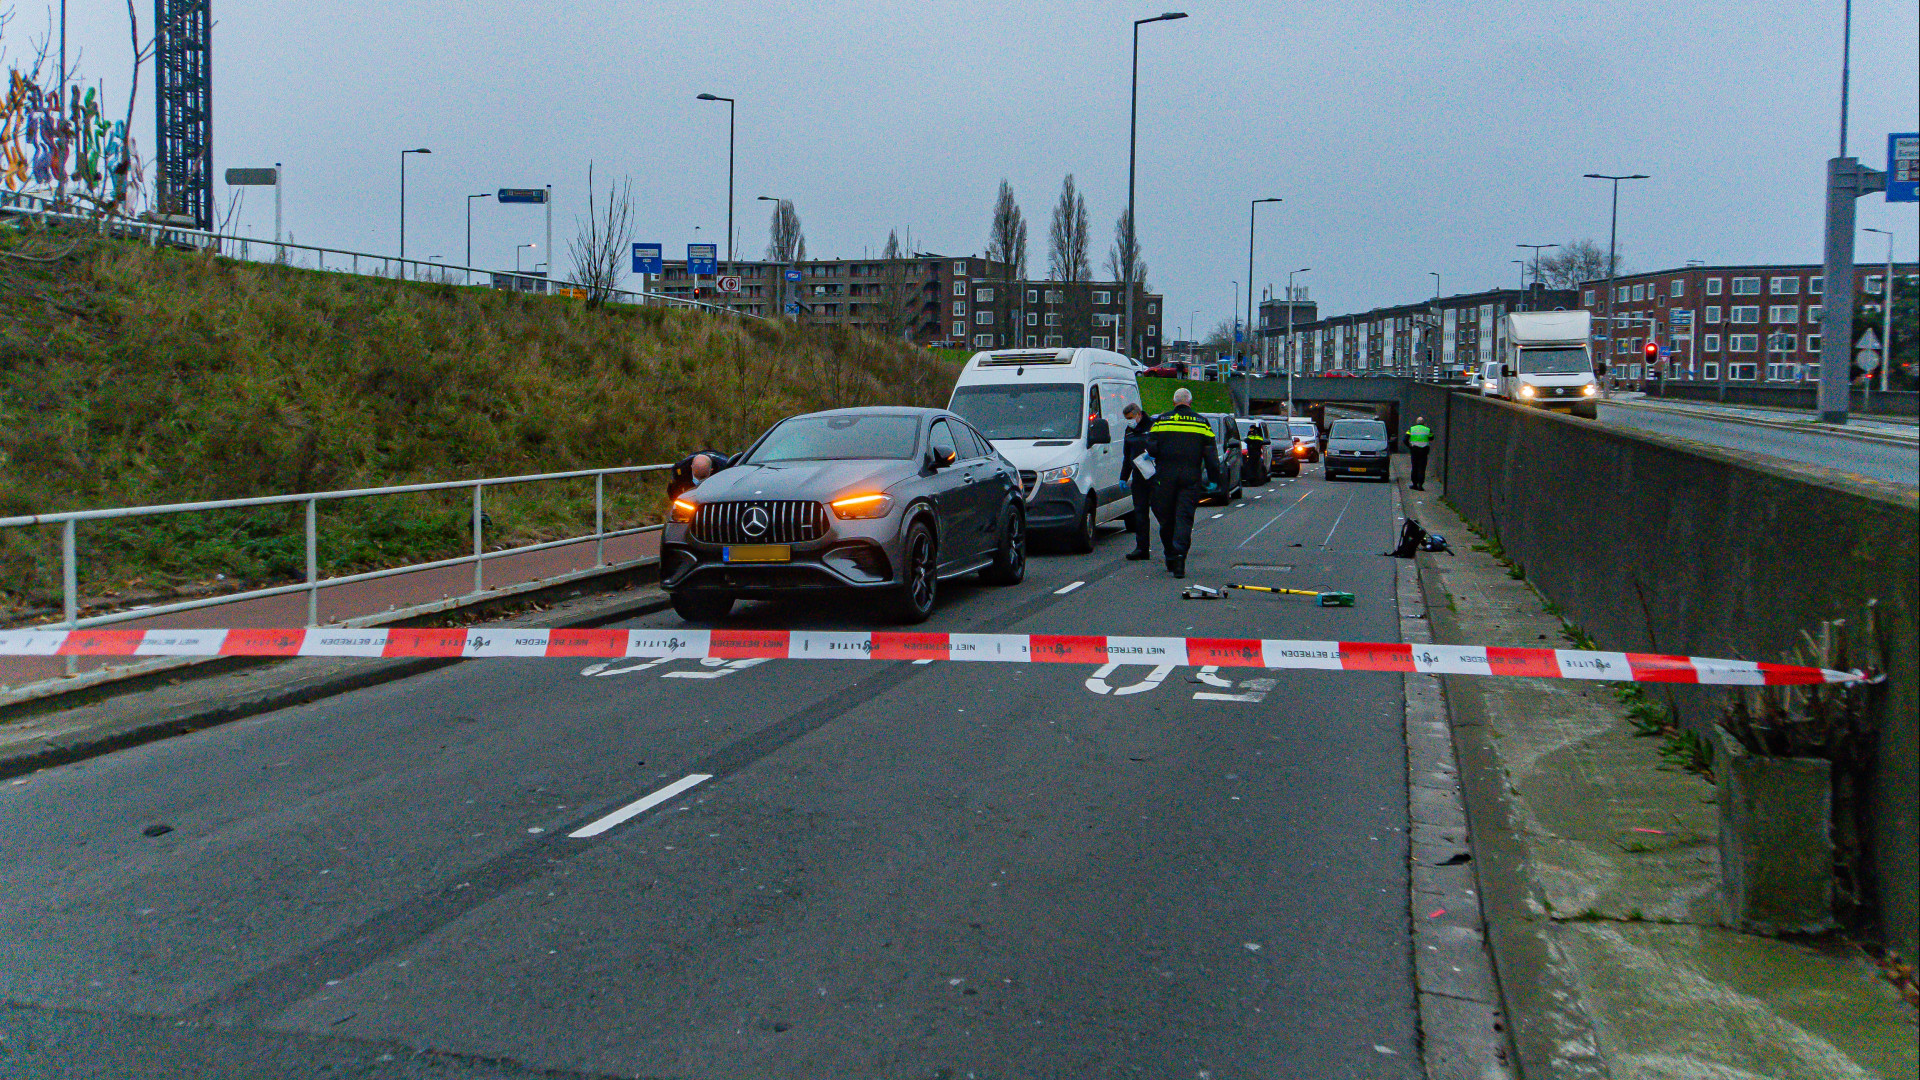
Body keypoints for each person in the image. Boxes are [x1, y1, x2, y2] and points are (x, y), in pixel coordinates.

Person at [1145, 387, 1223, 578]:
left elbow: (1151, 448)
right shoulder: (1202, 423)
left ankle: (1169, 556)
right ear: (1190, 403)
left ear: (1173, 403)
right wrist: (1215, 480)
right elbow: (1211, 456)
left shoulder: (1161, 421)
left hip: (1165, 478)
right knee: (1184, 519)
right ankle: (1180, 558)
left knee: (1166, 519)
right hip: (1190, 478)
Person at [1118, 402, 1156, 560]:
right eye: (1126, 419)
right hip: (1139, 475)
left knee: (1161, 512)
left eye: (1131, 418)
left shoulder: (1153, 426)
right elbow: (1127, 456)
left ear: (1139, 414)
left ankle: (1171, 547)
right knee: (1140, 513)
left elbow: (1163, 445)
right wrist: (1123, 477)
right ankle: (1142, 548)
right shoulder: (1129, 431)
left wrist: (1155, 454)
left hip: (1155, 474)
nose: (1129, 421)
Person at [667, 450, 732, 503]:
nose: (699, 480)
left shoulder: (726, 470)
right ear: (691, 467)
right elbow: (673, 489)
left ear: (711, 470)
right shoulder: (680, 469)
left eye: (703, 477)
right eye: (696, 476)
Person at [1405, 416, 1433, 491]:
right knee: (1422, 468)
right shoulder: (1428, 429)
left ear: (1416, 422)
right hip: (1424, 451)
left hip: (1414, 450)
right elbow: (1431, 438)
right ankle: (1420, 485)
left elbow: (1405, 439)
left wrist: (1410, 446)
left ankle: (1414, 484)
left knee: (1414, 467)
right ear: (1424, 423)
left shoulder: (1411, 429)